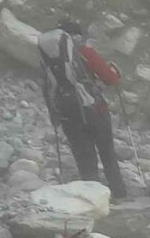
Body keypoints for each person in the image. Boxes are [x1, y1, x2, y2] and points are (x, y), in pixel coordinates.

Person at [37, 15, 129, 196]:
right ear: (75, 36)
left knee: (84, 159)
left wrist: (54, 115)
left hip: (67, 114)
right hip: (95, 111)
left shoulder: (47, 60)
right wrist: (115, 74)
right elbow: (110, 79)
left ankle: (92, 197)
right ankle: (118, 195)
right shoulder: (85, 53)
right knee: (107, 154)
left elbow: (46, 87)